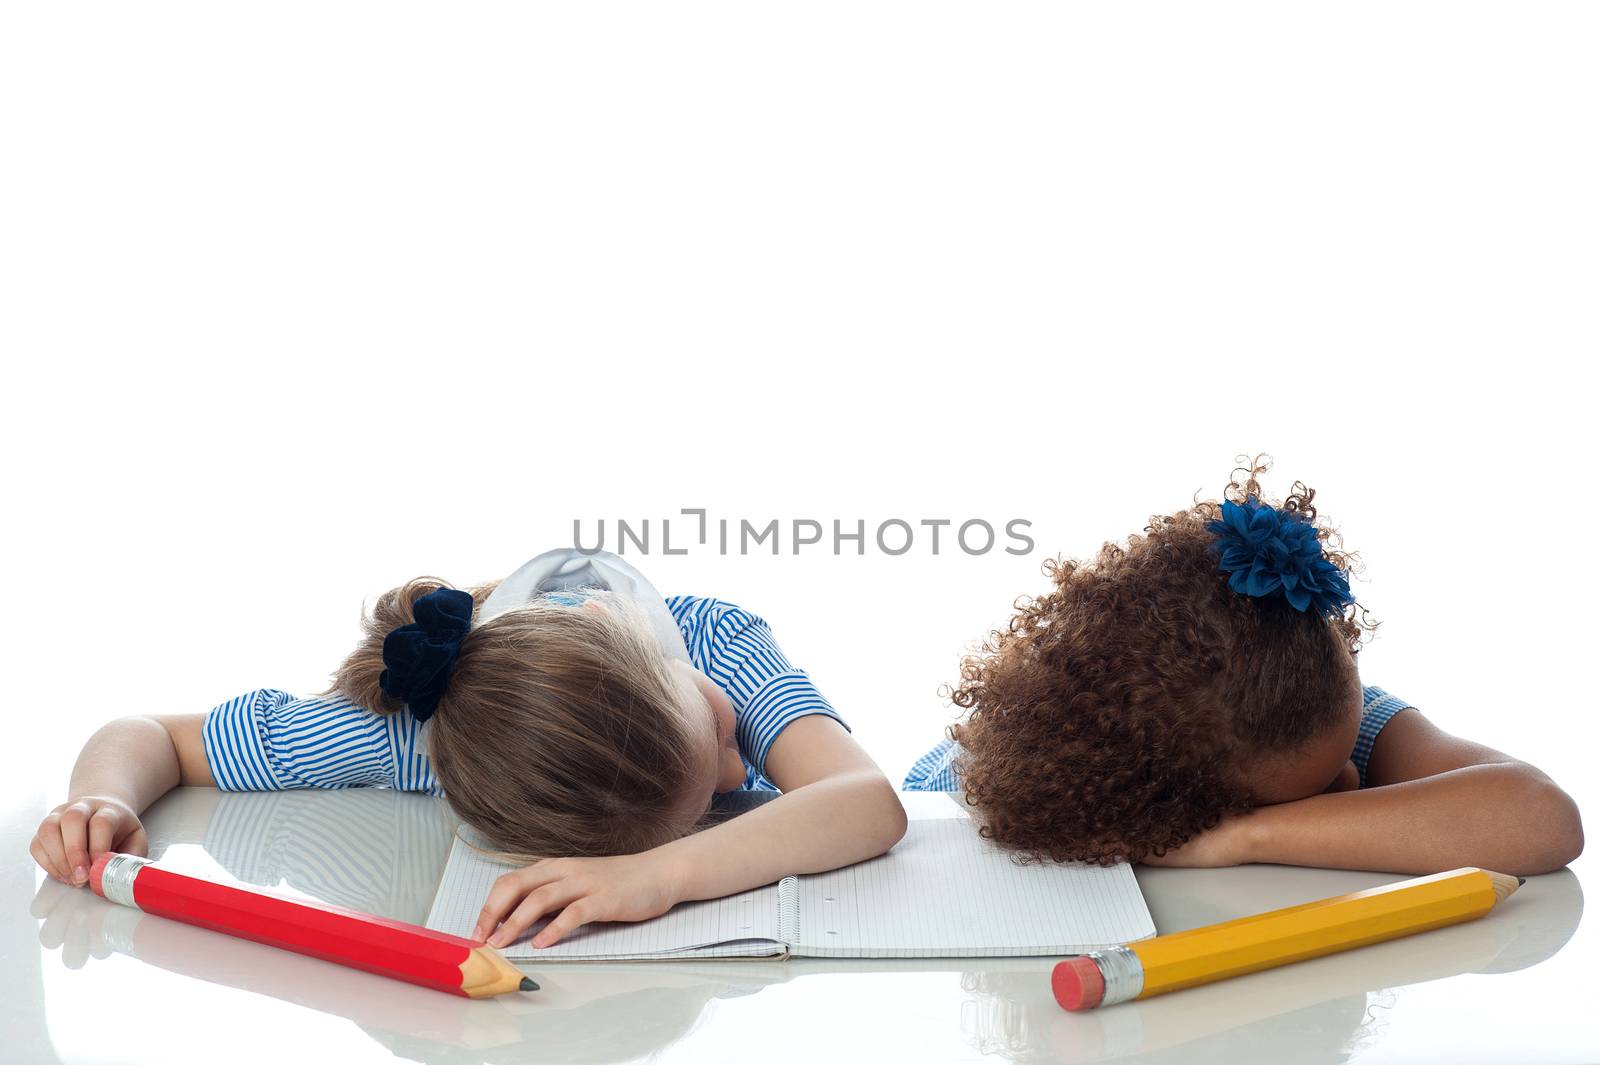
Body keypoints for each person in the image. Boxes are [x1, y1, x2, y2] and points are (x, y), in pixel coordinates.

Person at [31, 549, 907, 948]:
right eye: (725, 744)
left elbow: (867, 800)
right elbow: (152, 736)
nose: (736, 765)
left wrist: (658, 874)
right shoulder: (411, 734)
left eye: (718, 733)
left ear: (625, 623)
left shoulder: (711, 642)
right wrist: (103, 798)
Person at [905, 458, 1583, 877]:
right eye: (1311, 791)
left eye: (1339, 767)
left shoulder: (1316, 705)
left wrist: (1247, 833)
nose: (1354, 777)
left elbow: (1542, 816)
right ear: (1155, 796)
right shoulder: (1004, 785)